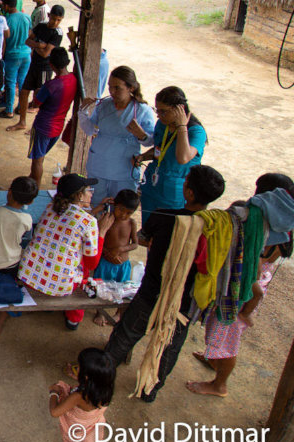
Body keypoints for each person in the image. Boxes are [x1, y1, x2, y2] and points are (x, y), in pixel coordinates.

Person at [104, 165, 226, 402]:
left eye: (186, 180)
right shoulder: (215, 228)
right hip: (185, 302)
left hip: (152, 292)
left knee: (125, 336)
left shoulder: (164, 216)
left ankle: (101, 378)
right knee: (169, 349)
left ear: (189, 193)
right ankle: (150, 392)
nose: (183, 182)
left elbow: (144, 239)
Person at [187, 173, 293, 398]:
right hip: (238, 288)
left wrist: (247, 310)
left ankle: (219, 385)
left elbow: (253, 277)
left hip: (241, 292)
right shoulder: (266, 222)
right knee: (218, 331)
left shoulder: (265, 229)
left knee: (226, 337)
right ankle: (212, 358)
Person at [18, 173, 102, 330]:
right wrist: (101, 234)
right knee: (84, 269)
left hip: (28, 274)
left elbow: (73, 220)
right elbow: (92, 263)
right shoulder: (89, 221)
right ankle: (73, 320)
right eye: (89, 190)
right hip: (58, 285)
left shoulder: (51, 207)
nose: (91, 193)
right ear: (79, 195)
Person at [78, 66, 156, 204]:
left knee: (121, 205)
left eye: (117, 88)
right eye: (110, 87)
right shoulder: (104, 105)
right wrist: (83, 112)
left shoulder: (142, 110)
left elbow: (149, 142)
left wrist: (141, 135)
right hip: (99, 163)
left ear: (131, 88)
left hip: (123, 167)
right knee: (97, 202)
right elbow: (90, 130)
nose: (112, 92)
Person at [135, 86, 208, 224]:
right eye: (157, 110)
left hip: (174, 192)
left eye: (163, 111)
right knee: (148, 228)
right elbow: (160, 149)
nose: (159, 115)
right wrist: (143, 156)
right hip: (152, 185)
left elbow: (183, 158)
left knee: (167, 231)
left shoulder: (196, 132)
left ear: (179, 109)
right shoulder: (163, 124)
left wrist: (182, 127)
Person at [0, 176, 39, 339]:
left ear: (9, 193)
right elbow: (25, 242)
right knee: (7, 292)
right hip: (12, 263)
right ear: (31, 202)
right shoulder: (27, 219)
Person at [49, 348, 115, 442]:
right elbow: (92, 385)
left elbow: (54, 412)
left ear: (87, 377)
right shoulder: (106, 387)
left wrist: (53, 393)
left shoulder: (79, 396)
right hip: (92, 435)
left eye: (79, 366)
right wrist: (77, 377)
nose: (76, 367)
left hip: (78, 439)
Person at [10, 4, 65, 132]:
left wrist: (36, 47)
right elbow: (27, 41)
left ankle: (36, 127)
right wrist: (39, 45)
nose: (55, 22)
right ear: (49, 15)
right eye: (53, 19)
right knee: (24, 92)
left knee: (40, 99)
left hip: (45, 68)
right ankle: (22, 122)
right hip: (33, 64)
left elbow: (46, 54)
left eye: (58, 20)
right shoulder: (41, 26)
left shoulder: (57, 33)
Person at [28, 47, 77, 185]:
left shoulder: (51, 85)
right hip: (58, 127)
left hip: (43, 126)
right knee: (41, 157)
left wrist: (38, 92)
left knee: (37, 160)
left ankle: (34, 188)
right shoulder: (73, 79)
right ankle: (32, 179)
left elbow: (36, 104)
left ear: (51, 65)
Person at [0, 0, 33, 119]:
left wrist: (1, 57)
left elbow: (4, 42)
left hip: (12, 55)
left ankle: (9, 110)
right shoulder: (26, 17)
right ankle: (21, 108)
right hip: (26, 54)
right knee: (22, 82)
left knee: (10, 83)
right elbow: (30, 34)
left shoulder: (7, 21)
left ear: (6, 6)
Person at [92, 189, 140, 282]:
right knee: (100, 289)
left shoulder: (131, 223)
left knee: (120, 292)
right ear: (114, 204)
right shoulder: (106, 219)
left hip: (123, 265)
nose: (123, 215)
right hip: (105, 263)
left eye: (129, 213)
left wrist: (120, 249)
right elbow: (97, 240)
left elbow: (135, 244)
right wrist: (108, 254)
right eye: (121, 209)